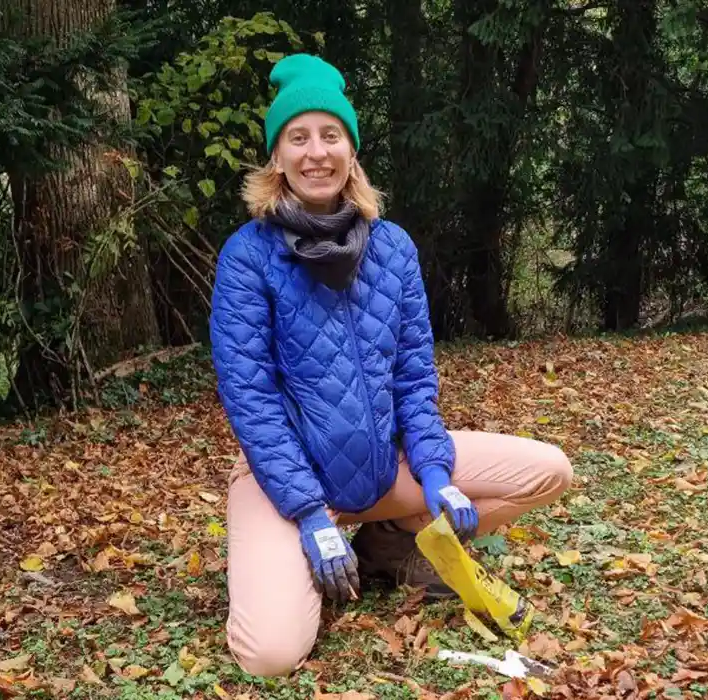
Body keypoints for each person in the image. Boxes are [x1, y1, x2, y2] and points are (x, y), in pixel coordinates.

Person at [208, 53, 573, 678]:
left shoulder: (393, 248)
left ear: (352, 150)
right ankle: (304, 552)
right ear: (278, 158)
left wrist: (433, 472)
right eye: (298, 138)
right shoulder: (247, 257)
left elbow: (412, 376)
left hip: (384, 465)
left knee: (547, 473)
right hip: (287, 484)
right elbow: (253, 400)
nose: (315, 152)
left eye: (330, 135)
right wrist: (307, 513)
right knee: (269, 655)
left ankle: (386, 547)